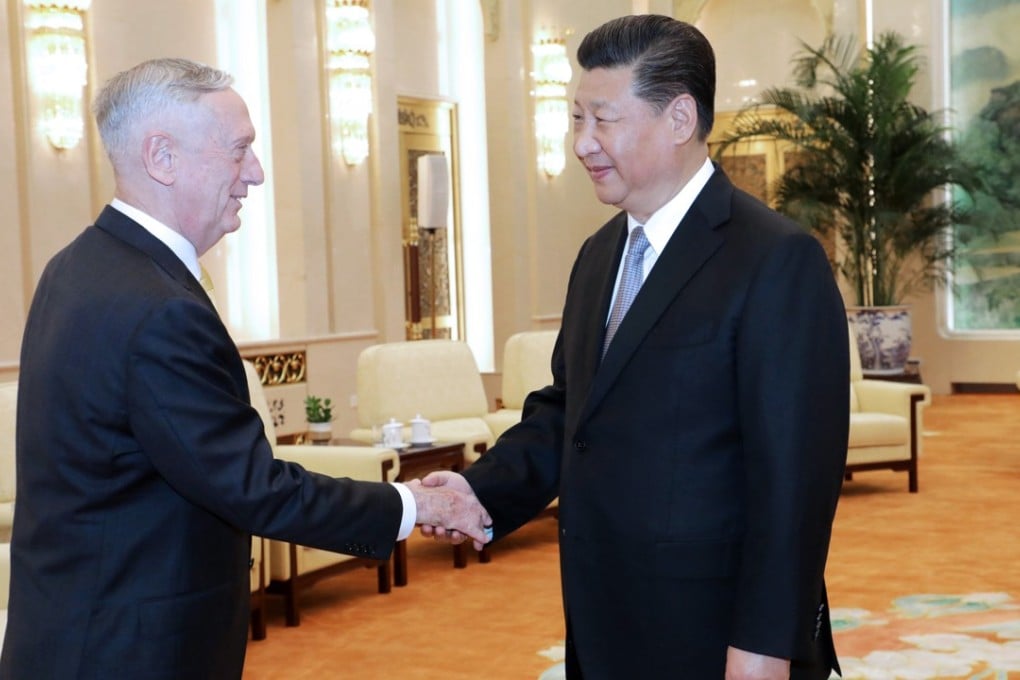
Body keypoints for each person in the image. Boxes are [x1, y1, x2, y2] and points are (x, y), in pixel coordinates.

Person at [0, 58, 490, 679]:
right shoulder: (157, 308)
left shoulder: (78, 266)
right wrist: (414, 505)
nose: (255, 173)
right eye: (239, 150)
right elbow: (253, 488)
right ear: (162, 157)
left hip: (73, 636)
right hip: (128, 652)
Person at [421, 15, 849, 679]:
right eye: (576, 119)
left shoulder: (774, 259)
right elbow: (572, 414)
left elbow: (794, 480)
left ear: (679, 118)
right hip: (604, 624)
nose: (582, 143)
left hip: (715, 637)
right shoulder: (599, 255)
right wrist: (481, 492)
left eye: (603, 119)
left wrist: (765, 647)